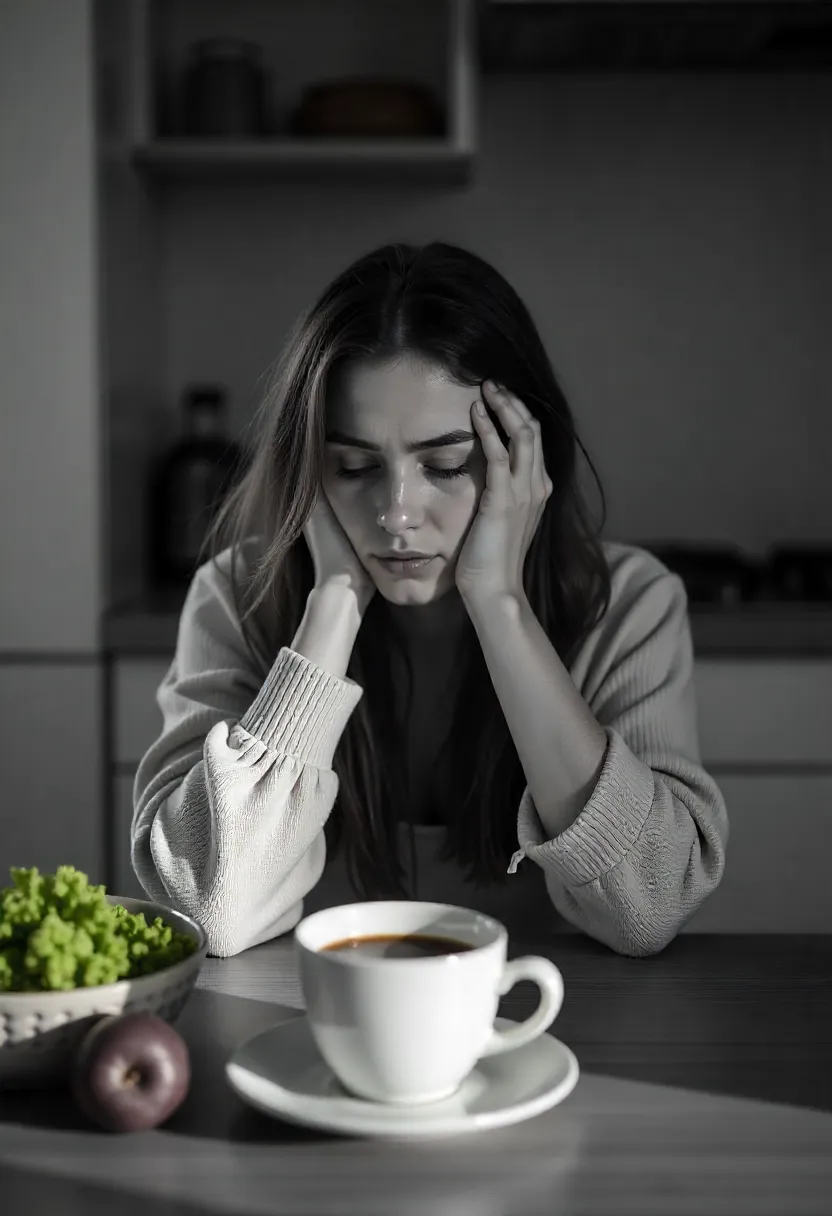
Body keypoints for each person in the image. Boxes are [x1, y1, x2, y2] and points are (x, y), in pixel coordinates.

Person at [132, 241, 729, 960]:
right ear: (309, 466)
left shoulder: (631, 605)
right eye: (354, 467)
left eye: (446, 466)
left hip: (556, 1038)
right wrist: (334, 602)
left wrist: (502, 606)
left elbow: (650, 905)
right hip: (309, 1031)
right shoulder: (234, 597)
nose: (396, 514)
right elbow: (208, 907)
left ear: (526, 459)